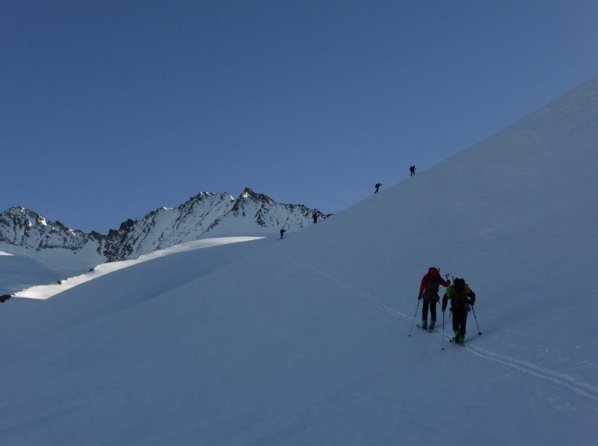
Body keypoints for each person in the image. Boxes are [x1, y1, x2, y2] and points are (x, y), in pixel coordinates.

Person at [442, 277, 476, 345]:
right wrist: (472, 302)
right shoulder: (465, 288)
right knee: (463, 322)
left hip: (455, 308)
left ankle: (457, 332)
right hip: (464, 308)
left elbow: (445, 297)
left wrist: (444, 306)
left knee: (455, 322)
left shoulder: (452, 288)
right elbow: (472, 295)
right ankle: (462, 337)